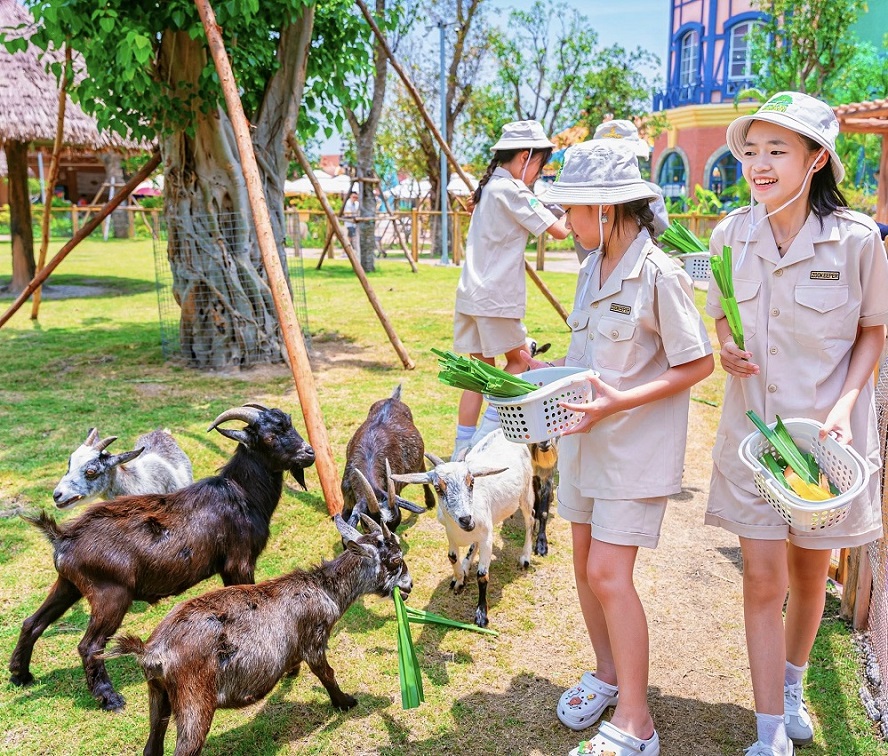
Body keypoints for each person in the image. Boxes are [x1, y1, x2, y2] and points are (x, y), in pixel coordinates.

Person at [705, 91, 888, 756]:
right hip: (756, 437)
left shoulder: (859, 240)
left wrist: (843, 407)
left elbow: (874, 332)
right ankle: (769, 730)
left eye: (777, 150)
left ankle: (791, 684)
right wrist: (724, 341)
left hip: (824, 444)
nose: (759, 163)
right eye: (751, 150)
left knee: (812, 575)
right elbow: (720, 308)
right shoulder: (730, 234)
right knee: (763, 578)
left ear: (816, 159)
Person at [525, 140, 714, 756]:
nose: (566, 221)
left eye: (574, 209)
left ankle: (637, 722)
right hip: (585, 444)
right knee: (585, 567)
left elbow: (698, 363)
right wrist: (540, 375)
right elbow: (588, 362)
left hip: (633, 450)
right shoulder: (589, 267)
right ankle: (608, 675)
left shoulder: (659, 273)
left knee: (609, 574)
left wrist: (618, 401)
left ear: (606, 210)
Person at [451, 119, 569, 458]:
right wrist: (576, 204)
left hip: (470, 294)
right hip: (495, 298)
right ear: (525, 156)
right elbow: (560, 231)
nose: (537, 173)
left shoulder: (488, 188)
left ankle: (461, 446)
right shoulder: (513, 191)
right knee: (519, 360)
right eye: (540, 166)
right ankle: (485, 438)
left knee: (479, 374)